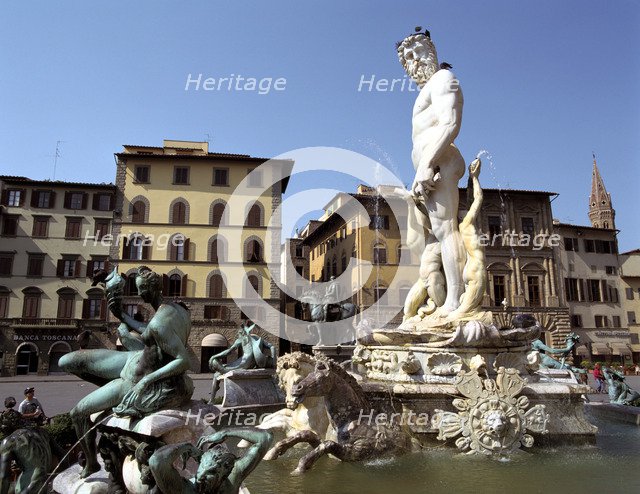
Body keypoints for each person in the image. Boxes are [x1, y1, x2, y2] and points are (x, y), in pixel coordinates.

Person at [59, 266, 194, 478]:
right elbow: (150, 333)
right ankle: (107, 391)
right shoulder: (175, 309)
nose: (139, 294)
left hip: (137, 378)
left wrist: (146, 381)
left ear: (151, 289)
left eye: (141, 289)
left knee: (78, 413)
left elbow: (183, 360)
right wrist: (120, 314)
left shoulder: (160, 322)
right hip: (134, 359)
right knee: (66, 361)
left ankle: (92, 463)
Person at [397, 29, 467, 320]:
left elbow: (450, 122)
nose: (413, 62)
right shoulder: (427, 89)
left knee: (445, 229)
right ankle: (439, 299)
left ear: (432, 50)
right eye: (408, 59)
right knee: (430, 239)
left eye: (417, 53)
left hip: (439, 162)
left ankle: (455, 301)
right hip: (427, 166)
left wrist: (427, 163)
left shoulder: (443, 79)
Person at [148, 428, 272, 494]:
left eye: (211, 472)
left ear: (226, 472)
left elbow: (266, 437)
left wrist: (226, 432)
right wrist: (185, 446)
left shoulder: (232, 478)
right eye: (201, 468)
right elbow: (156, 462)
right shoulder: (184, 490)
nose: (201, 476)